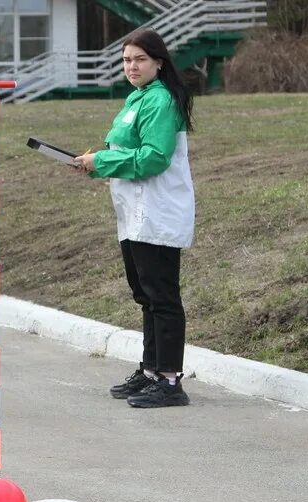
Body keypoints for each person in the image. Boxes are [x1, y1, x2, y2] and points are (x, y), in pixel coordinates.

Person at [73, 28, 195, 409]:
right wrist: (95, 164)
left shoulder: (161, 100)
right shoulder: (136, 98)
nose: (132, 66)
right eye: (126, 60)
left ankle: (171, 381)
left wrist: (103, 161)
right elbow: (121, 150)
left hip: (157, 213)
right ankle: (152, 370)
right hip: (133, 213)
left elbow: (154, 157)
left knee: (162, 297)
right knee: (145, 296)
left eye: (139, 59)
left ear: (159, 62)